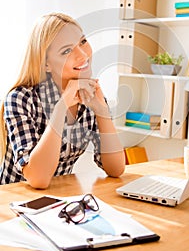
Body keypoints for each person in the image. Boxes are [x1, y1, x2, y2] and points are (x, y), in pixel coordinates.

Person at [0, 13, 125, 188]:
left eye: (82, 42)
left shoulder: (90, 97)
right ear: (46, 64)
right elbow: (38, 178)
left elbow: (116, 168)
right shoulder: (20, 99)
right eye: (66, 51)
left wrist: (102, 112)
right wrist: (61, 108)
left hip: (58, 201)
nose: (82, 55)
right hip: (13, 203)